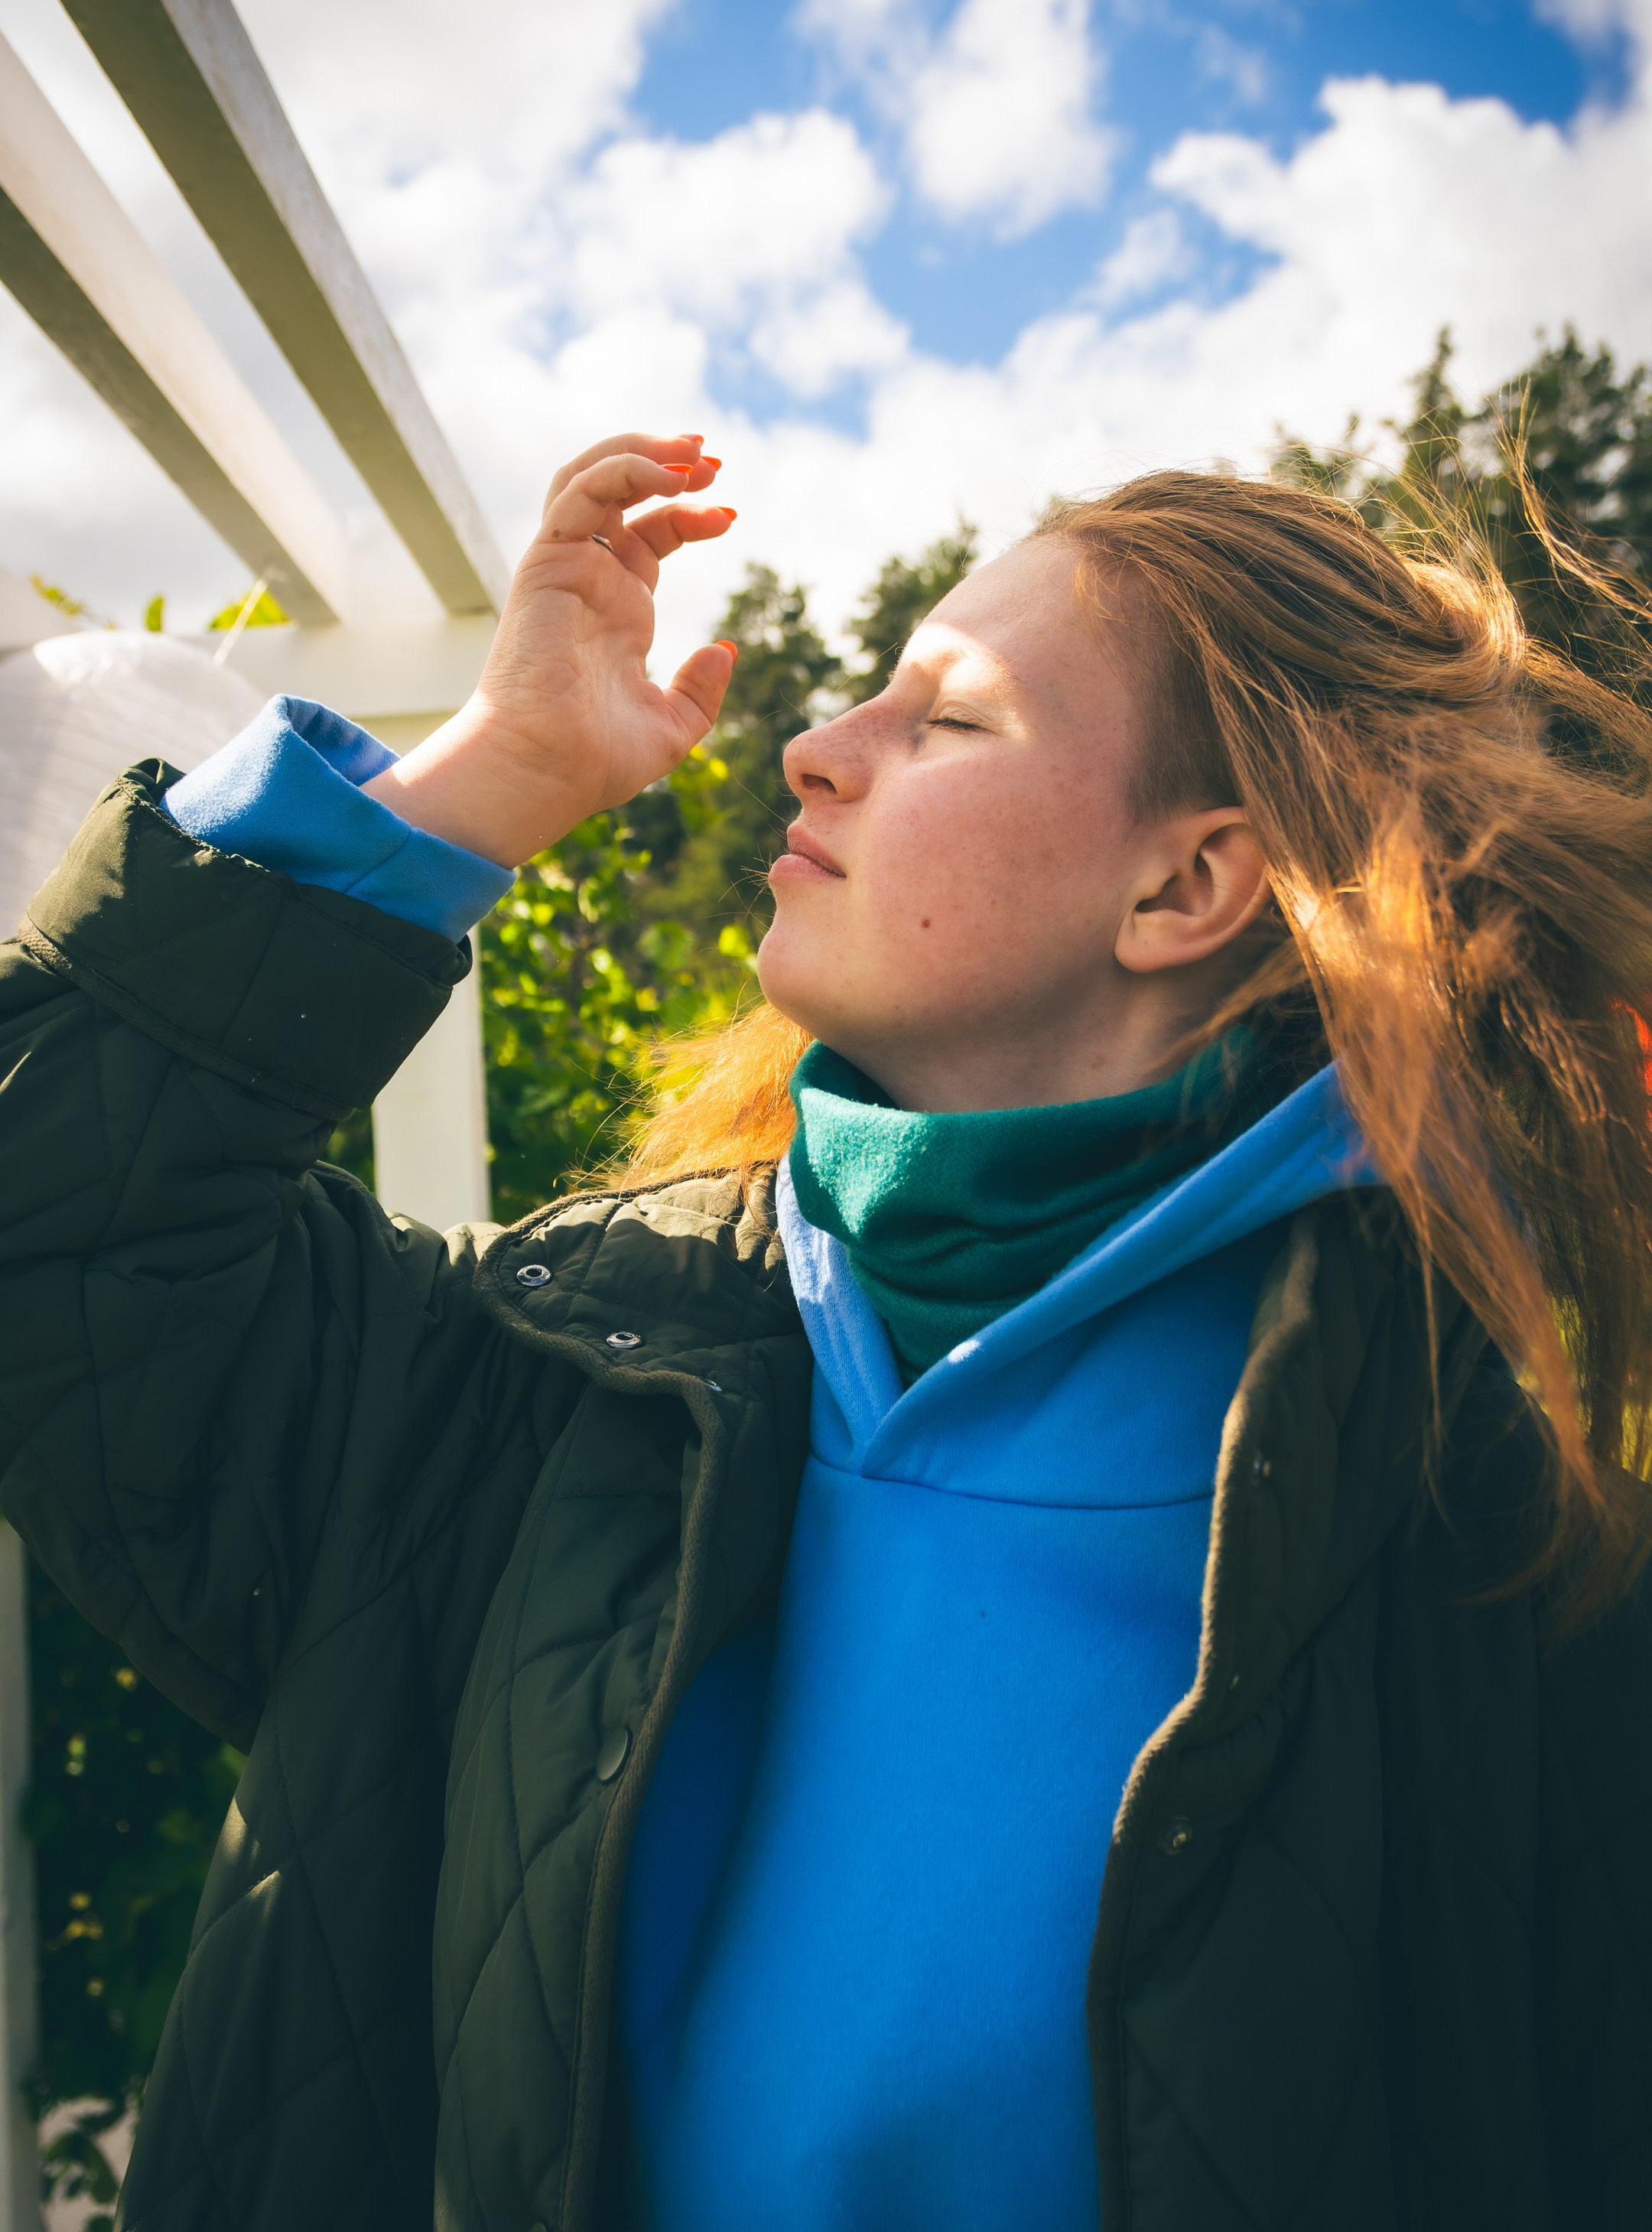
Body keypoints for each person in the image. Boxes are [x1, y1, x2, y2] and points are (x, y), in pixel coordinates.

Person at [2, 429, 1650, 2232]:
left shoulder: (1520, 1577)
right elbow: (53, 1236)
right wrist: (493, 768)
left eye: (946, 719)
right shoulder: (539, 1390)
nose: (817, 744)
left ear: (1186, 890)